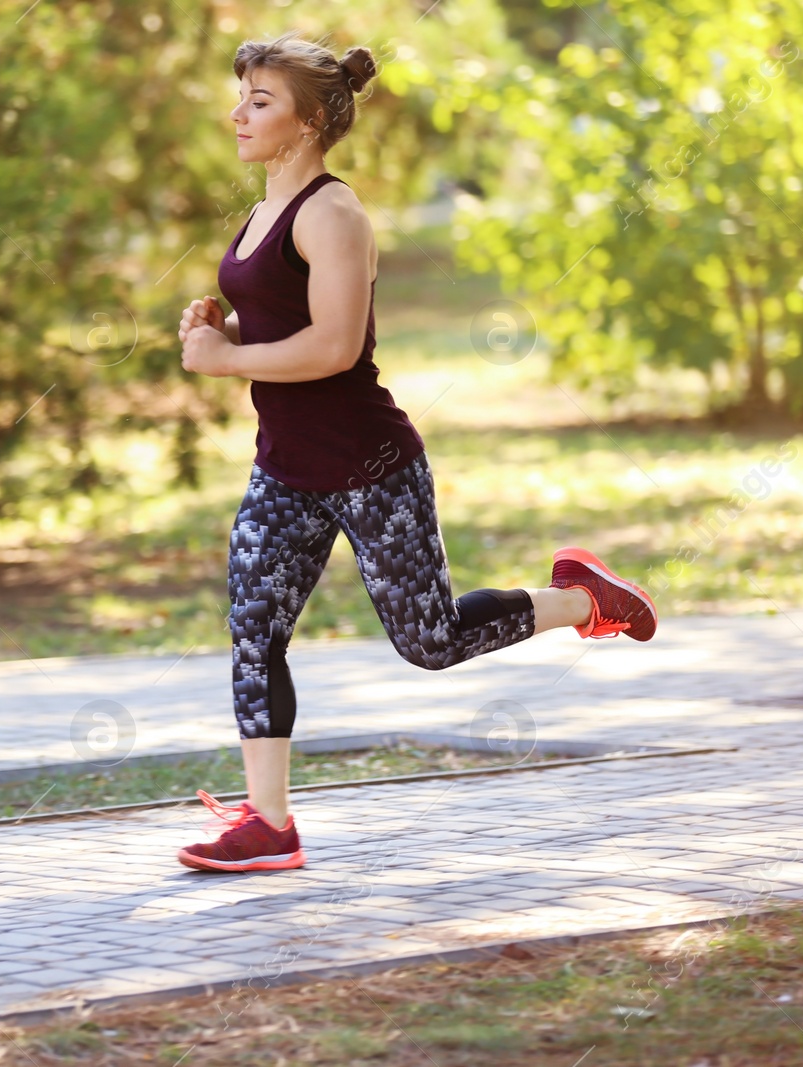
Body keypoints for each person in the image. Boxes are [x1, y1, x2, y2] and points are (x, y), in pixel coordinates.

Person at [173, 31, 656, 873]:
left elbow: (332, 346)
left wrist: (226, 361)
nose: (237, 115)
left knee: (429, 640)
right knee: (254, 629)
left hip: (367, 464)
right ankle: (269, 824)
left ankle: (584, 600)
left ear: (311, 120)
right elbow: (288, 321)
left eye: (259, 101)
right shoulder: (262, 212)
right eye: (241, 96)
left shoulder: (334, 212)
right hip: (286, 465)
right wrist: (229, 328)